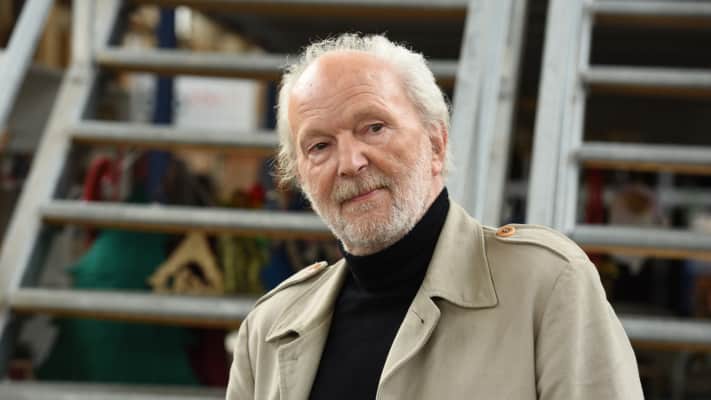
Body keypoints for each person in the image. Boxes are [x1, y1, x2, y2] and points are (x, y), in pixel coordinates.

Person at [226, 33, 644, 400]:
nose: (350, 163)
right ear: (300, 177)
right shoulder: (268, 331)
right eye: (319, 146)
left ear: (437, 143)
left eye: (374, 127)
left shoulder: (545, 284)